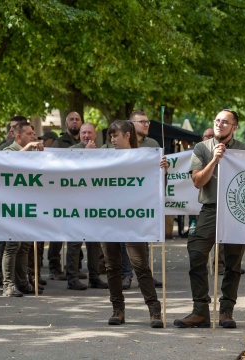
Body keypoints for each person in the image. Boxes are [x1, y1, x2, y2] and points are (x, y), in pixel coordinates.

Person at [174, 109, 245, 329]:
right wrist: (214, 160)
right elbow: (198, 181)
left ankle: (226, 311)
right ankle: (200, 311)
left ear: (234, 127)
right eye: (217, 121)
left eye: (225, 122)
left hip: (236, 211)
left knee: (233, 263)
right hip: (210, 208)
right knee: (196, 253)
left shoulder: (244, 150)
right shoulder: (201, 148)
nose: (219, 124)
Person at [101, 120, 166, 328]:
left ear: (127, 135)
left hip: (133, 219)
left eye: (115, 135)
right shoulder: (105, 158)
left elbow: (157, 187)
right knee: (112, 266)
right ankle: (117, 310)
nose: (112, 140)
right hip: (108, 218)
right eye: (110, 136)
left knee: (140, 265)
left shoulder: (145, 157)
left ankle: (154, 311)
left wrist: (163, 172)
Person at [1, 122, 45, 297]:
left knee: (25, 244)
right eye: (28, 133)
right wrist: (27, 148)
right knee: (12, 244)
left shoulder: (33, 153)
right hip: (12, 204)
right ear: (17, 136)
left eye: (33, 133)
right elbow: (7, 163)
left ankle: (23, 282)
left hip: (29, 202)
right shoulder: (8, 151)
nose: (33, 136)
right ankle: (8, 285)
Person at [67, 123, 108, 290]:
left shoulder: (102, 152)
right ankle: (72, 278)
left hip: (94, 201)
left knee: (94, 242)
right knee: (74, 241)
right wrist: (87, 154)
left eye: (89, 132)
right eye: (83, 132)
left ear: (95, 134)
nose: (86, 135)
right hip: (75, 203)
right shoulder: (72, 150)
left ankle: (94, 277)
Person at [48, 112, 83, 281]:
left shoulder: (85, 142)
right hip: (61, 194)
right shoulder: (58, 143)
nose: (75, 122)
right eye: (71, 120)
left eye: (77, 120)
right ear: (66, 123)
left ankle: (75, 267)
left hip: (79, 194)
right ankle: (54, 267)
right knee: (58, 234)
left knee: (76, 233)